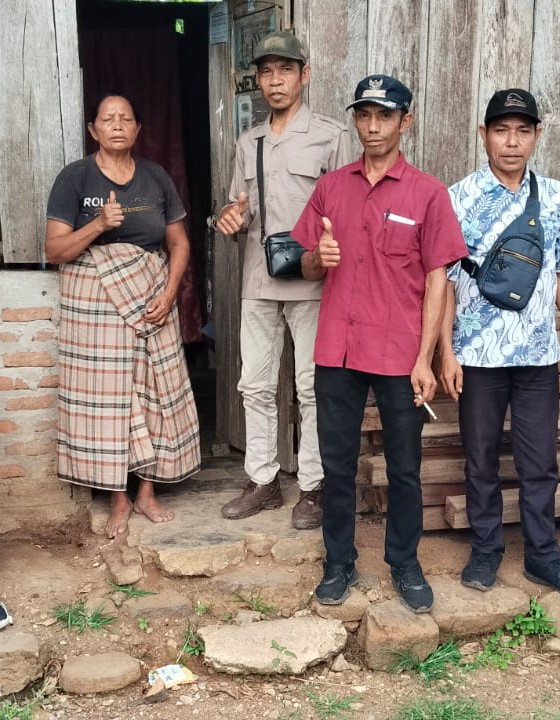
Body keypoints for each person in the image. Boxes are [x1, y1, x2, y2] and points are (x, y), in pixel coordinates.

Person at [292, 75, 467, 612]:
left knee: (404, 466)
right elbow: (305, 265)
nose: (372, 126)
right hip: (338, 349)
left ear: (404, 122)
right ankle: (338, 562)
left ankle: (404, 563)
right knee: (337, 464)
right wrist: (317, 258)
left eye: (384, 116)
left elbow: (438, 282)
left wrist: (427, 358)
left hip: (399, 354)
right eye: (364, 115)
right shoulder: (331, 188)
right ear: (355, 120)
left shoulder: (428, 193)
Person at [440, 89, 560, 598]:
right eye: (501, 130)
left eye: (523, 131)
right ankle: (486, 549)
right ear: (483, 134)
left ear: (536, 136)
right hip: (477, 354)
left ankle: (543, 556)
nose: (512, 142)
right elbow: (443, 282)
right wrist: (446, 351)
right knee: (480, 457)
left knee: (539, 462)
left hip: (537, 354)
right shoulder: (458, 197)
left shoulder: (553, 196)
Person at [45, 93, 201, 539]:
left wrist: (170, 293)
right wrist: (98, 224)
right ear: (92, 129)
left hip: (151, 297)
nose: (117, 125)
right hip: (96, 304)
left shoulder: (155, 177)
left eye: (126, 119)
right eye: (108, 119)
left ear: (137, 129)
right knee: (110, 399)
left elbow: (179, 243)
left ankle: (147, 492)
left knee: (155, 391)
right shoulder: (74, 178)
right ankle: (118, 497)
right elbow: (54, 250)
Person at [217, 31, 351, 530]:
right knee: (254, 385)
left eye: (285, 70)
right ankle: (263, 481)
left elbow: (347, 212)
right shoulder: (247, 141)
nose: (275, 80)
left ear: (304, 75)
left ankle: (313, 487)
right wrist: (229, 218)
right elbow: (240, 210)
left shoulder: (331, 136)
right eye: (266, 72)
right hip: (258, 279)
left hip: (314, 283)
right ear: (258, 80)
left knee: (312, 387)